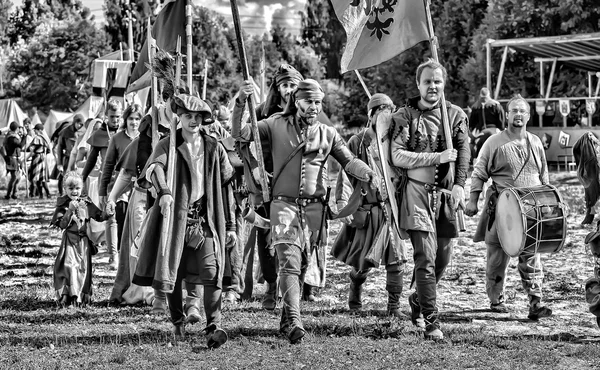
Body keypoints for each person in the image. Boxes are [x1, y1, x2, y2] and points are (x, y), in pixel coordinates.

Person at [232, 78, 380, 344]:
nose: (313, 107)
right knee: (288, 261)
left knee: (300, 265)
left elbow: (348, 161)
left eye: (317, 102)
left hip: (314, 211)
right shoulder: (273, 124)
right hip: (283, 206)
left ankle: (286, 320)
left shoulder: (328, 133)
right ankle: (296, 323)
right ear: (296, 101)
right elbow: (241, 134)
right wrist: (241, 101)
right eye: (308, 101)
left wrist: (366, 172)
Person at [133, 93, 236, 349]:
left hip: (207, 218)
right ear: (179, 117)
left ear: (204, 119)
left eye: (197, 116)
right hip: (176, 217)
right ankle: (177, 322)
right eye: (187, 116)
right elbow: (153, 169)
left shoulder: (214, 146)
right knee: (175, 273)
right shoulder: (168, 144)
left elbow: (226, 186)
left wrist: (232, 224)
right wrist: (165, 191)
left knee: (212, 271)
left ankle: (213, 325)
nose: (192, 121)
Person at [389, 59, 470, 340]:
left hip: (446, 196)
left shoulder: (456, 114)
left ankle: (418, 300)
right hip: (416, 194)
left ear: (443, 83)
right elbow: (397, 155)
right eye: (427, 81)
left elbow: (462, 151)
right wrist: (436, 157)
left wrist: (460, 185)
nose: (432, 86)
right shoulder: (404, 116)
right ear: (418, 84)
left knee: (443, 257)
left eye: (437, 81)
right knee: (425, 256)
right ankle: (432, 321)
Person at [465, 94, 553, 321]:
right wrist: (473, 200)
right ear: (507, 115)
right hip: (502, 210)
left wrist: (548, 204)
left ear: (528, 115)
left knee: (532, 257)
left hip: (531, 211)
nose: (519, 115)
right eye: (514, 111)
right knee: (497, 259)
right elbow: (479, 173)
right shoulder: (493, 142)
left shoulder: (535, 143)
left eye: (522, 111)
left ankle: (535, 301)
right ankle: (496, 299)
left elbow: (544, 177)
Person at [331, 93, 407, 317]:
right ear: (371, 115)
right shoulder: (357, 141)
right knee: (362, 261)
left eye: (388, 111)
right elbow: (346, 174)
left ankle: (394, 308)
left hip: (391, 209)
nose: (385, 116)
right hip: (369, 208)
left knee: (397, 259)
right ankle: (355, 287)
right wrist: (343, 202)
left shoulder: (396, 141)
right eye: (380, 111)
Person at [238, 64, 304, 309]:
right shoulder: (261, 113)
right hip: (264, 185)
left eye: (293, 85)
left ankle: (296, 285)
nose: (289, 90)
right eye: (284, 85)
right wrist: (256, 169)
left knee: (297, 237)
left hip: (293, 186)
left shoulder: (305, 113)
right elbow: (243, 141)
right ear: (278, 88)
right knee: (267, 238)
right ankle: (269, 284)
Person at [51, 171, 106, 307]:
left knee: (82, 269)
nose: (74, 191)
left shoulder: (86, 202)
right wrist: (69, 211)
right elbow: (62, 224)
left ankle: (79, 297)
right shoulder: (63, 204)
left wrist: (108, 212)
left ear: (82, 188)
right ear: (65, 189)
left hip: (83, 242)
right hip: (69, 241)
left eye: (77, 188)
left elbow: (99, 216)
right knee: (68, 266)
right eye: (71, 188)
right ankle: (66, 295)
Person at [100, 104, 142, 270]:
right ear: (126, 119)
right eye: (131, 118)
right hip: (121, 186)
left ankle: (134, 256)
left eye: (137, 119)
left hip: (140, 186)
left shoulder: (147, 138)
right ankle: (115, 255)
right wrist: (103, 191)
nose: (134, 122)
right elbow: (108, 165)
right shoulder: (117, 138)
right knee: (117, 218)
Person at [82, 99, 123, 268]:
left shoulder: (128, 131)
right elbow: (91, 159)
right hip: (107, 180)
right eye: (112, 116)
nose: (116, 120)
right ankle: (113, 255)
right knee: (111, 217)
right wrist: (81, 178)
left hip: (126, 179)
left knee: (124, 217)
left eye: (118, 116)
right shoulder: (100, 134)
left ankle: (122, 251)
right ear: (106, 116)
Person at [55, 114, 85, 193]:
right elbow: (59, 148)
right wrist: (59, 163)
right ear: (74, 122)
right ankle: (65, 196)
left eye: (81, 124)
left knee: (79, 181)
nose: (79, 126)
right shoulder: (65, 132)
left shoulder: (83, 132)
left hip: (81, 160)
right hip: (68, 160)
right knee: (67, 180)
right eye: (78, 123)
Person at [3, 121, 29, 200]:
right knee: (14, 177)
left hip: (15, 159)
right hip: (12, 159)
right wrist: (25, 136)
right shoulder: (12, 138)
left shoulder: (13, 136)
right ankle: (8, 194)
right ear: (16, 129)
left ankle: (14, 194)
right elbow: (20, 145)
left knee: (18, 177)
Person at [26, 123, 52, 198]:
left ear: (40, 130)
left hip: (37, 158)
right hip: (43, 158)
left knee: (38, 178)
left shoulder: (37, 138)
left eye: (36, 130)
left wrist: (28, 155)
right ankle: (47, 194)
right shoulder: (45, 138)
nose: (35, 132)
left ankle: (43, 194)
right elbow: (48, 151)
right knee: (41, 178)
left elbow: (31, 149)